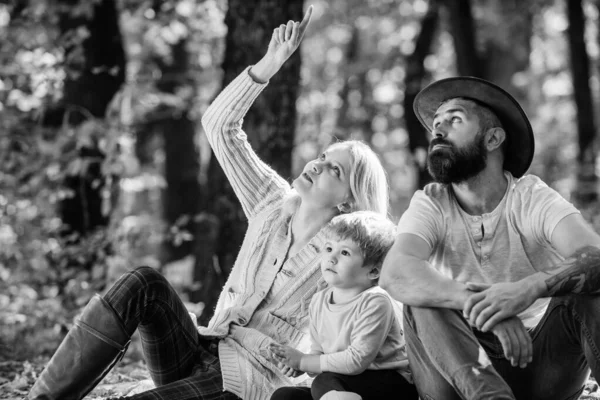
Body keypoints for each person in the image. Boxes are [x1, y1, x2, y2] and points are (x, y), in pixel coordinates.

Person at [28, 6, 392, 400]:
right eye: (321, 158)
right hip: (202, 346)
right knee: (144, 282)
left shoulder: (346, 261)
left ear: (351, 200)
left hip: (248, 381)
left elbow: (372, 322)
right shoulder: (272, 201)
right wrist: (270, 64)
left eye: (333, 171)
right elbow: (219, 126)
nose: (317, 166)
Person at [379, 76, 600, 400]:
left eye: (455, 120)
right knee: (422, 294)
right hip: (458, 375)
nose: (438, 131)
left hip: (541, 366)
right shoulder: (431, 202)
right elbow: (394, 273)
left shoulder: (531, 197)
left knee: (588, 286)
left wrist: (525, 290)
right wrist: (479, 304)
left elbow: (594, 255)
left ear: (493, 138)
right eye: (436, 124)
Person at [269, 212, 417, 400]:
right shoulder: (318, 301)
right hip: (344, 382)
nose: (331, 258)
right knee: (285, 396)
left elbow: (356, 360)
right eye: (329, 248)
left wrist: (306, 361)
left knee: (324, 382)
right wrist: (300, 366)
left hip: (391, 385)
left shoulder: (375, 302)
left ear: (373, 270)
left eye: (345, 252)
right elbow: (319, 353)